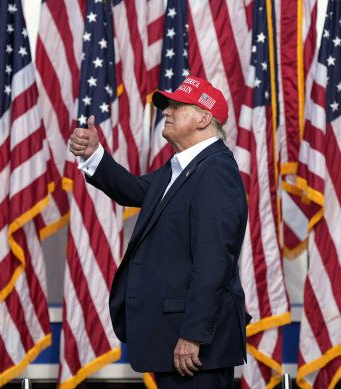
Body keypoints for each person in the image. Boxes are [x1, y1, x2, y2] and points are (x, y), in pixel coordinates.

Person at [69, 76, 249, 389]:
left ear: (204, 118)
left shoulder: (215, 170)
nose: (166, 110)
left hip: (194, 350)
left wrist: (193, 335)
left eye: (177, 105)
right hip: (171, 341)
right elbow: (134, 191)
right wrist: (95, 154)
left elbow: (213, 262)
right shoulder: (182, 168)